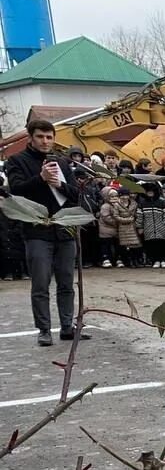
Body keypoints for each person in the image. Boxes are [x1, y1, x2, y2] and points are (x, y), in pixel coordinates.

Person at [4, 118, 82, 345]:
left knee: (67, 281)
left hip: (64, 229)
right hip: (36, 230)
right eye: (40, 136)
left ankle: (67, 326)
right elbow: (16, 191)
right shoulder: (17, 161)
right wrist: (40, 179)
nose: (45, 141)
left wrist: (59, 184)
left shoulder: (63, 163)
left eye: (49, 137)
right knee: (40, 283)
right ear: (31, 138)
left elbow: (74, 194)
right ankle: (44, 329)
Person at [137, 182, 165, 268]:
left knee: (163, 245)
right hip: (148, 228)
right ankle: (155, 260)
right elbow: (139, 216)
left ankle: (164, 260)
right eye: (147, 191)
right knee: (152, 245)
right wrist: (140, 226)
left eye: (151, 191)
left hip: (162, 228)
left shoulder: (163, 201)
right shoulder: (142, 203)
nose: (150, 193)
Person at [111, 190, 144, 268]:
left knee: (135, 245)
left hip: (133, 226)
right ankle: (129, 261)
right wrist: (127, 220)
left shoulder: (134, 203)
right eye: (122, 195)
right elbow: (115, 216)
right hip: (123, 227)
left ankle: (136, 260)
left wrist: (135, 218)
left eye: (126, 195)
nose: (125, 197)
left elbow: (137, 214)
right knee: (127, 245)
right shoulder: (117, 205)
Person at [97, 187, 120, 268]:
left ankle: (117, 259)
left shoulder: (118, 205)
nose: (114, 198)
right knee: (105, 245)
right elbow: (106, 217)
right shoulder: (105, 206)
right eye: (112, 196)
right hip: (106, 230)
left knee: (117, 245)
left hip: (116, 230)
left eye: (116, 196)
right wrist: (117, 222)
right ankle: (106, 259)